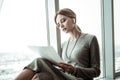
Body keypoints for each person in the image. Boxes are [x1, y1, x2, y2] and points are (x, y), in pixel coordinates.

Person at [15, 8, 100, 80]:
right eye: (58, 25)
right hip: (65, 77)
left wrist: (74, 70)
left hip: (79, 78)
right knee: (39, 75)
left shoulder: (90, 39)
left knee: (39, 64)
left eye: (63, 21)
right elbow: (60, 67)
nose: (61, 26)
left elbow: (96, 71)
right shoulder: (64, 45)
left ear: (73, 19)